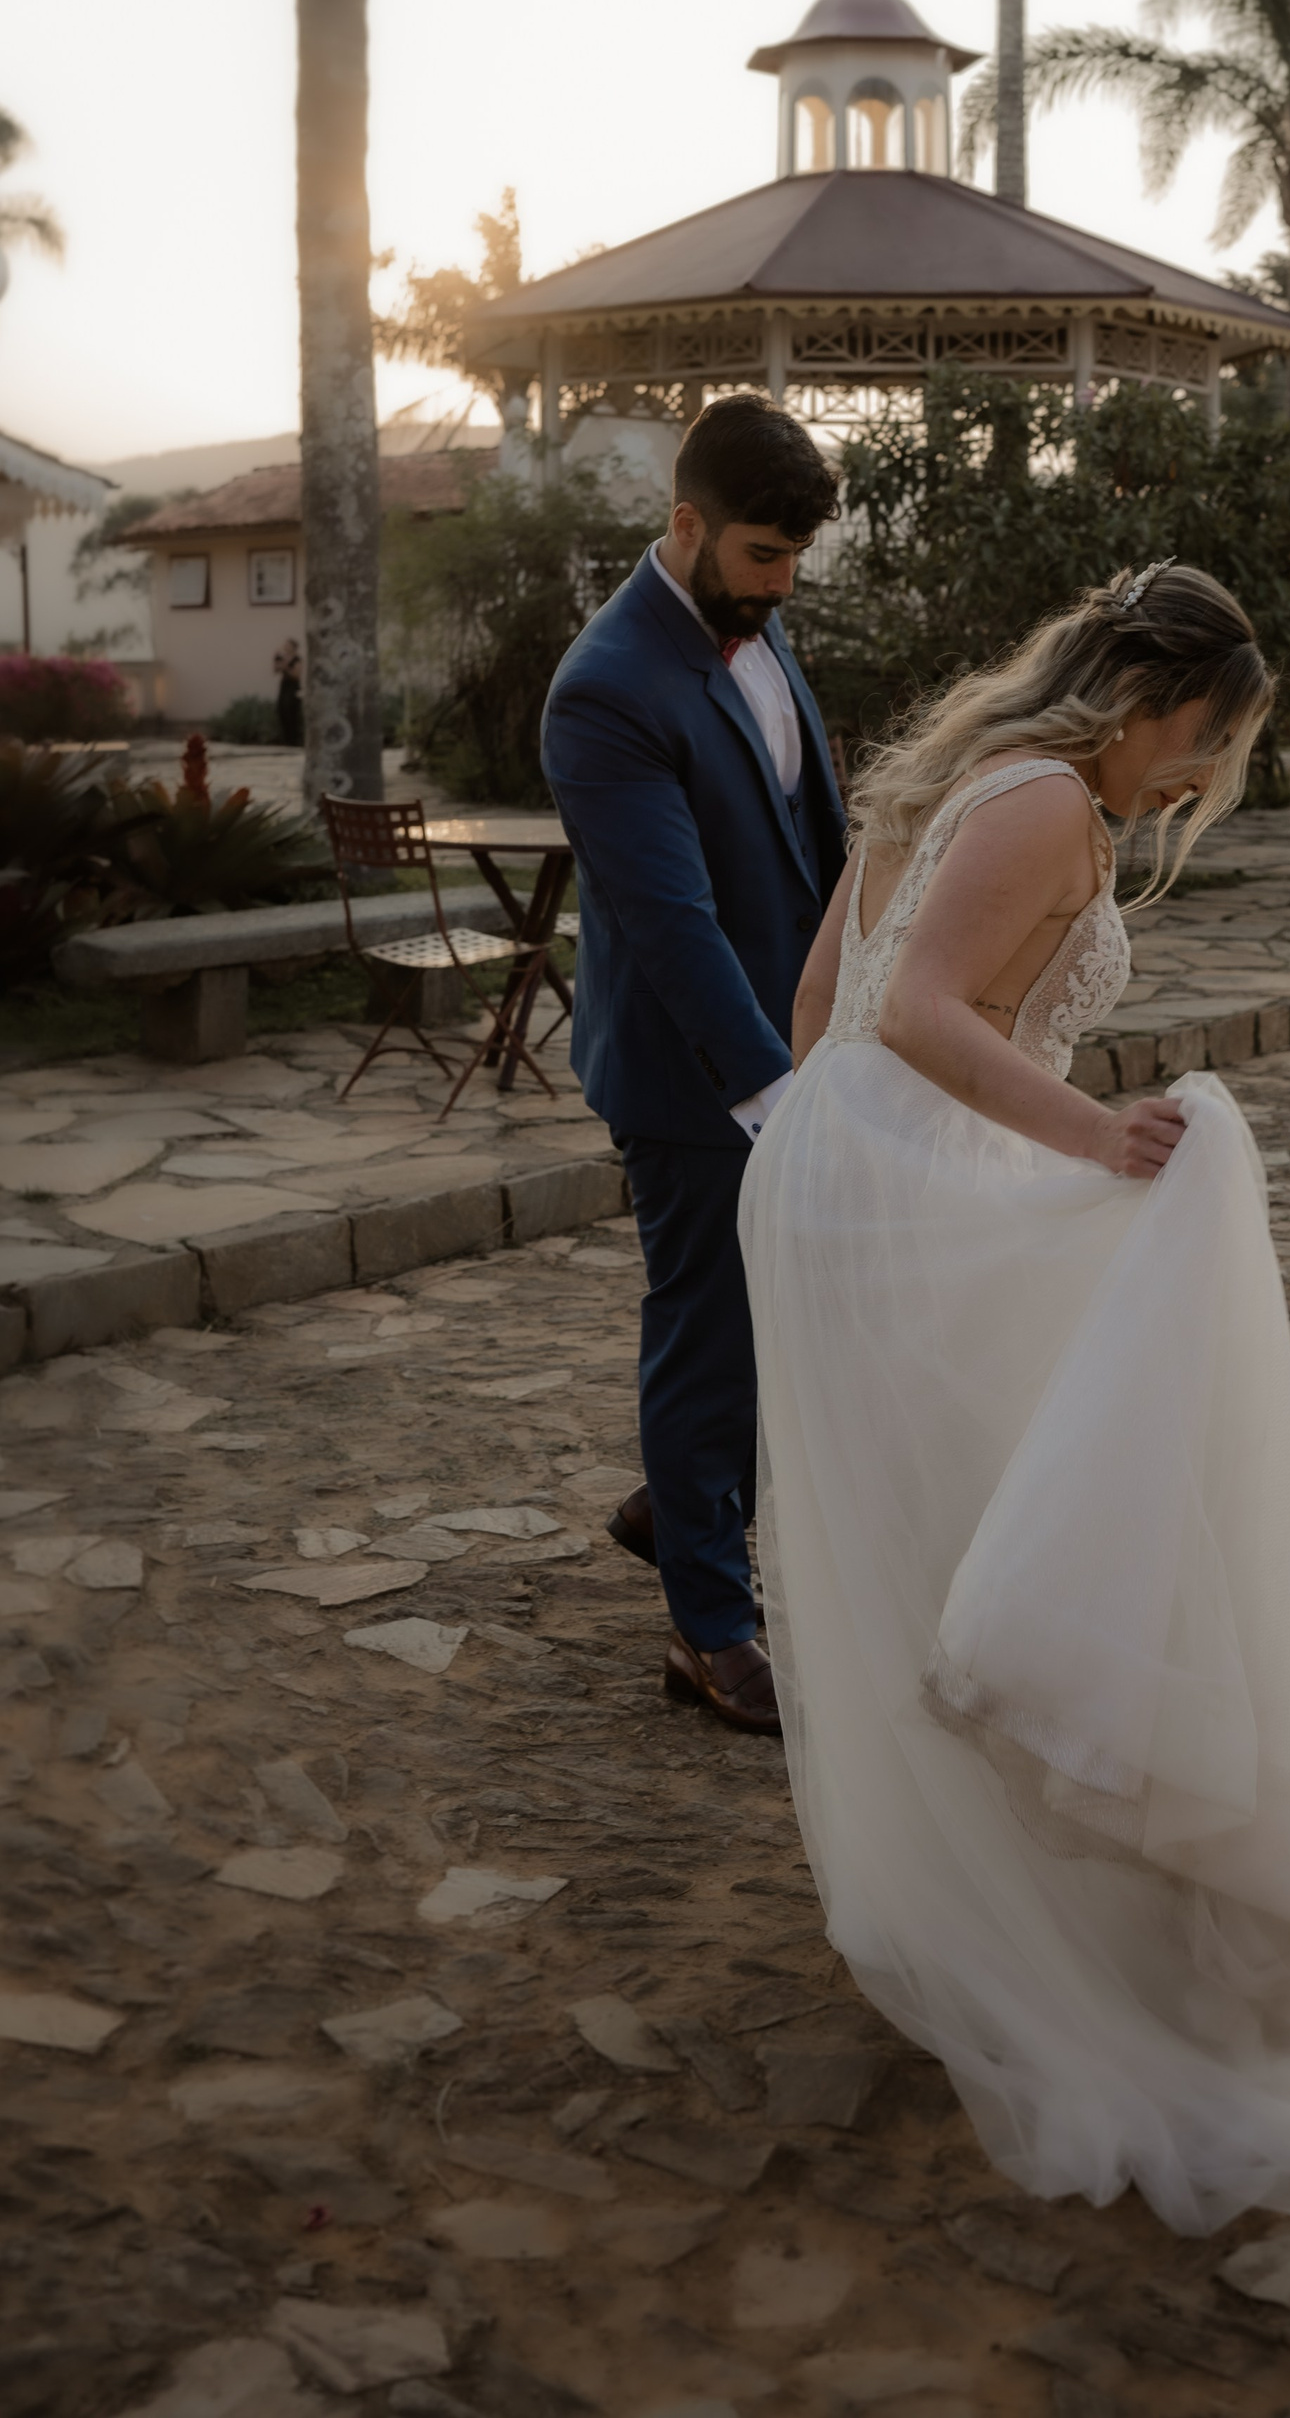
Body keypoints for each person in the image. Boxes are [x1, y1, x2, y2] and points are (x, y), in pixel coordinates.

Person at [738, 563, 1290, 2233]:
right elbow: (916, 1008)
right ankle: (1037, 1921)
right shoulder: (1043, 801)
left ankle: (967, 1890)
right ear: (1149, 701)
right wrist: (1093, 1142)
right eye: (1205, 739)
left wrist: (839, 1175)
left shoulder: (958, 770)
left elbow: (823, 1008)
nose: (1200, 775)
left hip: (831, 1168)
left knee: (931, 1531)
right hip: (889, 1174)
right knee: (1007, 1505)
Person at [542, 390, 845, 1736]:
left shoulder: (756, 627)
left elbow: (809, 846)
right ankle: (708, 1630)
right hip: (694, 1078)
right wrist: (775, 1097)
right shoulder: (605, 687)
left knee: (802, 1324)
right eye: (763, 556)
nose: (781, 587)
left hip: (798, 1051)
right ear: (686, 523)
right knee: (713, 1338)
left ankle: (679, 1505)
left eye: (795, 560)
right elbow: (674, 923)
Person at [273, 639, 303, 747]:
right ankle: (285, 739)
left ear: (293, 647)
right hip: (284, 686)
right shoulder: (282, 657)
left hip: (293, 687)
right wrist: (277, 660)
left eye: (288, 645)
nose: (285, 647)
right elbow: (275, 670)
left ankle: (294, 740)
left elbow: (296, 675)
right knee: (282, 709)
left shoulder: (297, 659)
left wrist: (285, 667)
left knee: (291, 711)